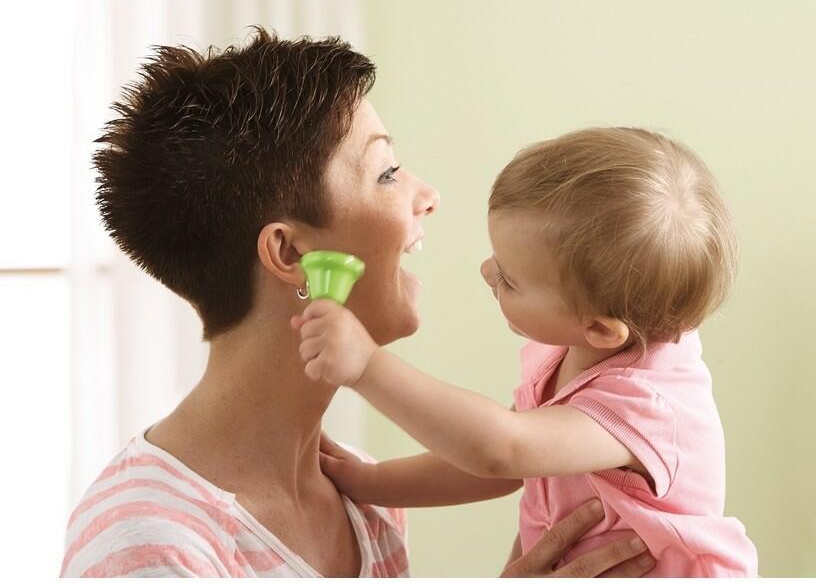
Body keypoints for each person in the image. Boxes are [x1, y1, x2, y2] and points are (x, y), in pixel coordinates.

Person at [61, 29, 654, 577]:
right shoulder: (149, 544)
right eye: (387, 172)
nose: (428, 195)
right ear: (290, 254)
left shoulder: (362, 499)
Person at [295, 128, 759, 576]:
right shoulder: (579, 351)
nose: (485, 272)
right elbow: (495, 469)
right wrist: (372, 484)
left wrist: (368, 366)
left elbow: (501, 450)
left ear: (600, 328)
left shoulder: (648, 405)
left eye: (509, 279)